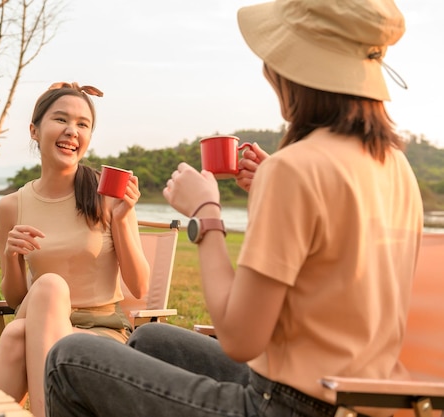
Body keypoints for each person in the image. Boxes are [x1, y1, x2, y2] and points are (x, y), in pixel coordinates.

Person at [44, 1, 424, 416]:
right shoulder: (395, 165)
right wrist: (272, 189)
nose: (266, 70)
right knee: (151, 342)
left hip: (281, 406)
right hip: (353, 401)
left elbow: (241, 338)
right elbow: (339, 262)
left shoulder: (296, 167)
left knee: (70, 358)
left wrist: (206, 214)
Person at [0, 82, 150, 417]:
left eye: (82, 124)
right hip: (40, 321)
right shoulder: (10, 206)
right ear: (34, 130)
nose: (72, 131)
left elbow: (140, 288)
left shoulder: (108, 196)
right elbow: (16, 298)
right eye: (61, 119)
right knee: (48, 287)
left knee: (19, 331)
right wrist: (11, 257)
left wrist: (120, 220)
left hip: (102, 333)